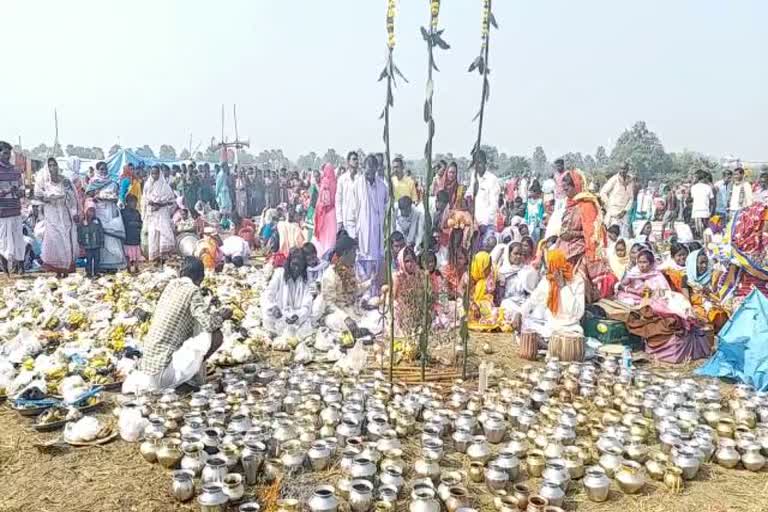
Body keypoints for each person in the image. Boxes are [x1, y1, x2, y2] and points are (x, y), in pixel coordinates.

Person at [124, 257, 229, 393]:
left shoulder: (171, 286)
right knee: (216, 335)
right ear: (201, 278)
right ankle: (188, 382)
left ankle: (186, 377)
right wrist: (222, 316)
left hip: (149, 370)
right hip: (162, 374)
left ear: (181, 273)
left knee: (196, 331)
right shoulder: (192, 291)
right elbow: (209, 324)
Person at [557, 169, 616, 301]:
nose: (565, 193)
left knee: (578, 285)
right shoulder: (570, 204)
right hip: (564, 247)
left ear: (576, 186)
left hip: (580, 251)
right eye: (564, 189)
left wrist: (572, 234)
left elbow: (593, 233)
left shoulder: (587, 204)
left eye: (567, 189)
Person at [511, 248, 585, 339]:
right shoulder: (548, 280)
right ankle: (543, 342)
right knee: (524, 324)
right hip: (550, 326)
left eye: (548, 267)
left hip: (569, 329)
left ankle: (545, 344)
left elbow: (578, 313)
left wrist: (563, 287)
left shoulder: (577, 281)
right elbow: (533, 300)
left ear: (556, 267)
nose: (546, 271)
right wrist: (520, 313)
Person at [35, 158, 80, 277]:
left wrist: (75, 212)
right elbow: (38, 196)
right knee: (55, 240)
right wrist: (49, 198)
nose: (53, 168)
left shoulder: (65, 181)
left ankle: (67, 268)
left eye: (55, 165)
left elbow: (73, 198)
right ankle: (57, 268)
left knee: (67, 239)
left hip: (65, 214)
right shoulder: (44, 182)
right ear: (47, 168)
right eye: (50, 165)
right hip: (52, 215)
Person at [355, 156, 389, 298]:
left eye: (372, 171)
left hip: (378, 230)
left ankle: (374, 295)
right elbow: (352, 209)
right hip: (362, 230)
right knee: (363, 261)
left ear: (376, 169)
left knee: (376, 261)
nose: (369, 174)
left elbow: (386, 206)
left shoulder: (382, 186)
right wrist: (353, 231)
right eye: (366, 171)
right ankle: (363, 294)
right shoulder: (357, 185)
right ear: (364, 168)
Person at [261, 247, 314, 336]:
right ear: (289, 263)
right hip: (280, 314)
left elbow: (307, 303)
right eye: (294, 264)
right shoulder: (279, 273)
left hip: (297, 316)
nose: (296, 268)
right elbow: (268, 294)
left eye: (300, 265)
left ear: (304, 266)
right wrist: (273, 307)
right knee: (267, 318)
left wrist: (297, 316)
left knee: (308, 324)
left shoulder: (307, 278)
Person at [85, 161, 126, 271]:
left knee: (112, 236)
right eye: (101, 169)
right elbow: (89, 196)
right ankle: (102, 265)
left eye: (105, 169)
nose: (104, 171)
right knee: (101, 237)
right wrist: (97, 197)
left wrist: (114, 199)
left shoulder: (112, 182)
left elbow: (116, 196)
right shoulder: (93, 182)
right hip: (99, 212)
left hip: (111, 210)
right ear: (97, 170)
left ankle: (114, 263)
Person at [685, 248, 728, 332]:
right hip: (698, 308)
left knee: (720, 316)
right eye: (701, 263)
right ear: (693, 264)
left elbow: (720, 294)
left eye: (706, 262)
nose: (704, 266)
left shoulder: (713, 273)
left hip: (715, 304)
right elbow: (686, 300)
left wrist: (710, 293)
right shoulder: (687, 279)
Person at [465, 150, 501, 249]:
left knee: (487, 245)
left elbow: (494, 205)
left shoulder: (492, 179)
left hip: (487, 223)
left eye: (480, 163)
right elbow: (470, 192)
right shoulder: (474, 176)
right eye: (476, 163)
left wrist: (484, 222)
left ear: (485, 163)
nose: (478, 166)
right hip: (475, 222)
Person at [497, 242, 540, 322]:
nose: (519, 257)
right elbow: (499, 296)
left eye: (521, 254)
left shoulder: (528, 270)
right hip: (509, 303)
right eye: (515, 253)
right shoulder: (502, 272)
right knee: (506, 304)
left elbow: (532, 293)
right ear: (508, 254)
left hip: (525, 302)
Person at [143, 166, 176, 267]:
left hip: (162, 213)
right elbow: (144, 200)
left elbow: (172, 201)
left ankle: (164, 260)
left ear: (159, 173)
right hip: (152, 215)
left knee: (164, 235)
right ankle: (155, 261)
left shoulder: (165, 186)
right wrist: (150, 206)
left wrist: (160, 205)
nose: (154, 175)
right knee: (153, 236)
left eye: (156, 173)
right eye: (152, 173)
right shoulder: (147, 185)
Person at [0, 141, 25, 273]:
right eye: (4, 153)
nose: (7, 155)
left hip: (16, 209)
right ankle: (6, 269)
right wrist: (7, 191)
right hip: (2, 212)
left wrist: (20, 192)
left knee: (18, 239)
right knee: (4, 240)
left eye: (8, 153)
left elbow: (22, 188)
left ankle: (20, 266)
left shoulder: (16, 170)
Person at [467, 250, 501, 331]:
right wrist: (473, 303)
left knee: (494, 312)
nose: (489, 270)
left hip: (485, 305)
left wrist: (479, 304)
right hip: (471, 303)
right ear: (480, 266)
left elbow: (490, 296)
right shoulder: (469, 276)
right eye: (487, 268)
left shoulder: (489, 279)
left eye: (490, 267)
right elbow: (463, 293)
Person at [600, 163, 634, 234]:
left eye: (624, 169)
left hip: (624, 213)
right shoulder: (614, 179)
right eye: (621, 169)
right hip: (613, 213)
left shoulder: (630, 181)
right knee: (612, 235)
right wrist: (609, 206)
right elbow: (603, 192)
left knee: (624, 237)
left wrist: (625, 211)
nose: (623, 171)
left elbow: (631, 198)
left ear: (628, 170)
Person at [313, 163, 337, 258]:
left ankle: (324, 256)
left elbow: (324, 201)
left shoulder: (325, 182)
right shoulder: (335, 182)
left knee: (325, 237)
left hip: (326, 214)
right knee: (331, 238)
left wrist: (319, 211)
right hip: (333, 213)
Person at [336, 151, 361, 239]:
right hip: (347, 218)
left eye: (357, 159)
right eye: (354, 159)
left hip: (359, 218)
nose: (356, 161)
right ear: (348, 162)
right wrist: (339, 220)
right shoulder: (342, 179)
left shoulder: (361, 179)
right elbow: (338, 200)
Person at [78, 200, 104, 278]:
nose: (91, 213)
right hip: (87, 245)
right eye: (90, 211)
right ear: (86, 211)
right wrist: (80, 242)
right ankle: (88, 272)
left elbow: (101, 231)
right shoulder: (82, 222)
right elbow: (80, 232)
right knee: (88, 260)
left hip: (96, 244)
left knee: (97, 259)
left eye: (93, 211)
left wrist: (102, 241)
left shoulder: (97, 221)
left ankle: (96, 272)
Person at [122, 194, 144, 274]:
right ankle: (128, 267)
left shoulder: (137, 213)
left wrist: (137, 225)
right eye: (132, 202)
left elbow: (140, 223)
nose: (134, 204)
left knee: (136, 253)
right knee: (128, 254)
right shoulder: (123, 213)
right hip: (127, 237)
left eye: (135, 202)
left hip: (136, 237)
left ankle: (136, 267)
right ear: (127, 203)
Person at [690, 170, 714, 238]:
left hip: (696, 212)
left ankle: (702, 242)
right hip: (705, 211)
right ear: (704, 178)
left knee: (699, 231)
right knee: (706, 231)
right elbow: (712, 201)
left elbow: (692, 198)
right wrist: (711, 212)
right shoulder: (708, 187)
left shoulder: (693, 187)